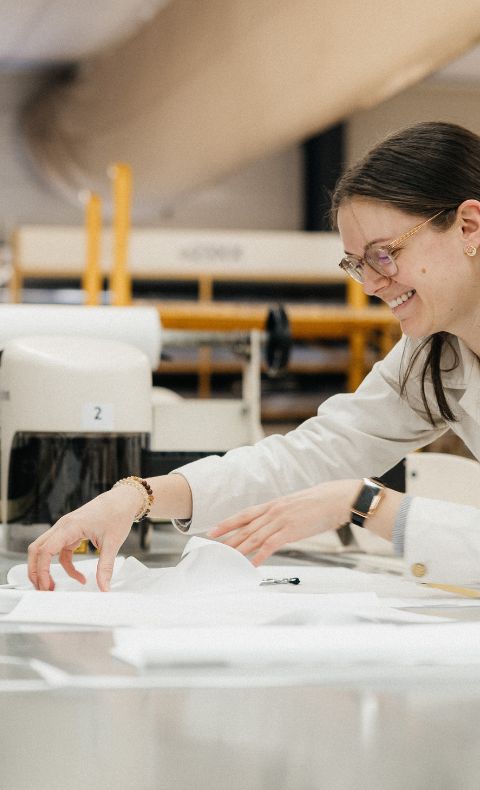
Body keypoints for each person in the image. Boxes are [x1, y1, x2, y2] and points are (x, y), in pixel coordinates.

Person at [27, 120, 480, 592]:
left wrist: (364, 504)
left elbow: (341, 485)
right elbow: (308, 458)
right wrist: (139, 495)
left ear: (468, 226)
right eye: (357, 265)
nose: (370, 285)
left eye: (384, 255)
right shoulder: (435, 356)